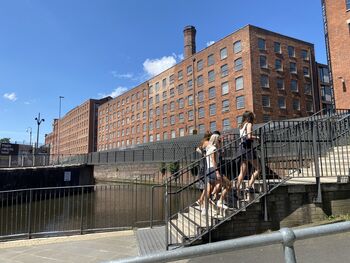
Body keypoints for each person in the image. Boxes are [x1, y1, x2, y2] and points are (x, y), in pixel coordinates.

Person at [235, 111, 261, 196]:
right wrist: (257, 137)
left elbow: (243, 136)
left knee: (242, 172)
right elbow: (249, 136)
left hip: (241, 148)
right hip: (248, 149)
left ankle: (237, 190)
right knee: (258, 168)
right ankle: (249, 186)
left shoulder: (241, 126)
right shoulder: (249, 124)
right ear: (249, 118)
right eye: (252, 117)